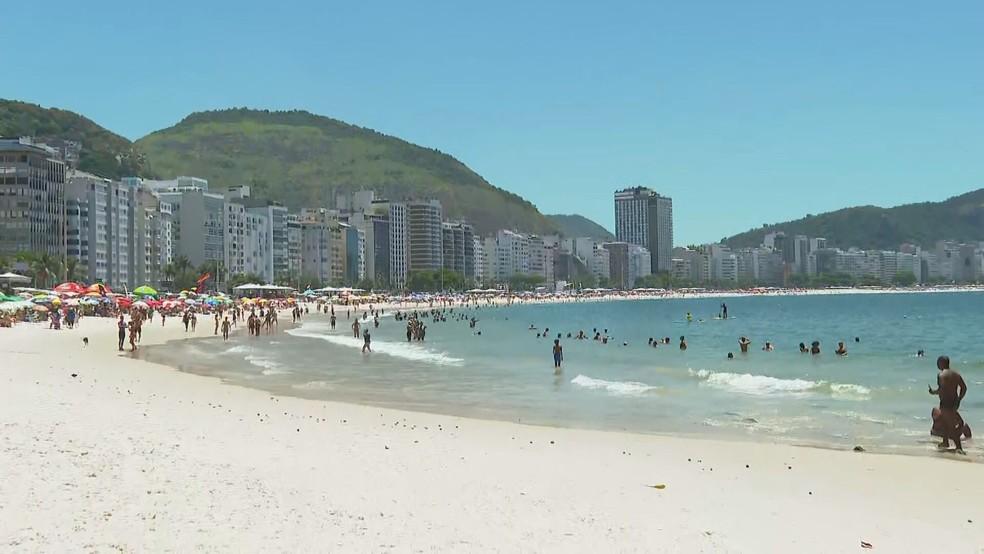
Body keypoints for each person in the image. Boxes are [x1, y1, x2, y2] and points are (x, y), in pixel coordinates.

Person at [928, 355, 969, 453]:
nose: (937, 364)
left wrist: (933, 392)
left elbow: (941, 390)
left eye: (938, 362)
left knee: (951, 424)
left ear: (942, 363)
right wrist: (959, 399)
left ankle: (959, 447)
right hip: (954, 402)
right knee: (946, 423)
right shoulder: (956, 374)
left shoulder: (941, 375)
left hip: (945, 403)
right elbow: (964, 388)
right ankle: (945, 442)